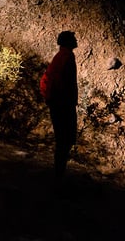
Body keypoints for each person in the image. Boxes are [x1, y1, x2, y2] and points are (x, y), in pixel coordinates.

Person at [39, 30, 78, 179]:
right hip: (63, 104)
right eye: (73, 38)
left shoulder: (61, 56)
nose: (76, 40)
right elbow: (62, 82)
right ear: (68, 41)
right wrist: (67, 101)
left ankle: (59, 174)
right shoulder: (66, 56)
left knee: (63, 140)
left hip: (59, 103)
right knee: (65, 140)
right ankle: (58, 176)